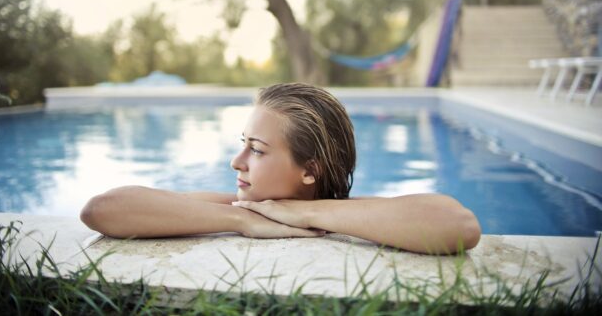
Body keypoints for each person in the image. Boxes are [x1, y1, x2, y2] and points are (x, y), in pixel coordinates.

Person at [80, 83, 481, 254]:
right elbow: (101, 209)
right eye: (243, 145)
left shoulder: (357, 215)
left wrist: (305, 212)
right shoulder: (237, 208)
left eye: (256, 149)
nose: (236, 162)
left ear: (309, 170)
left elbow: (460, 226)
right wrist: (242, 222)